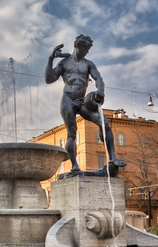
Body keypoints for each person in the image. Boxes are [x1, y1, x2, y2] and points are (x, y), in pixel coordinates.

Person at [44, 34, 125, 172]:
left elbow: (98, 77)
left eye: (88, 50)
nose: (86, 52)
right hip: (67, 99)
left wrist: (100, 90)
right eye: (84, 49)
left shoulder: (88, 64)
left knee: (104, 123)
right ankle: (75, 165)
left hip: (82, 101)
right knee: (72, 133)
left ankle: (113, 158)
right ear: (77, 46)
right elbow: (49, 79)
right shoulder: (64, 63)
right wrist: (51, 58)